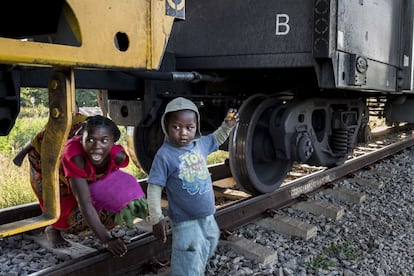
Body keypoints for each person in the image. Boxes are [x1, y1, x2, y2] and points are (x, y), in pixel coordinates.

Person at [14, 114, 147, 257]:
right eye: (90, 140)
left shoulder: (118, 156)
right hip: (47, 161)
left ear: (113, 143)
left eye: (104, 141)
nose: (96, 147)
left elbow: (119, 189)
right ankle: (54, 229)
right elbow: (84, 203)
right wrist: (106, 240)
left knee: (115, 207)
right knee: (66, 214)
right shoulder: (74, 156)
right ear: (81, 138)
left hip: (80, 155)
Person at [147, 97, 239, 275]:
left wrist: (227, 126)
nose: (183, 133)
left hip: (207, 215)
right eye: (176, 127)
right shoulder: (165, 155)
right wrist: (156, 218)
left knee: (208, 243)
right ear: (166, 125)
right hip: (184, 220)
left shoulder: (200, 144)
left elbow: (217, 137)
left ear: (196, 126)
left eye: (189, 128)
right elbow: (154, 187)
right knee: (188, 257)